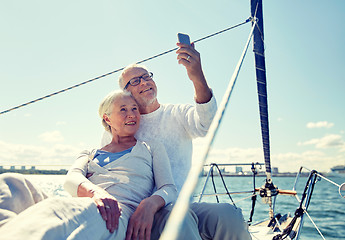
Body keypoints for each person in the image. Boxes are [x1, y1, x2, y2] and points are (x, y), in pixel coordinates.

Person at [0, 91, 200, 240]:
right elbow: (71, 180)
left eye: (134, 109)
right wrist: (96, 193)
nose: (132, 114)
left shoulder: (151, 148)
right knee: (9, 182)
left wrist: (150, 203)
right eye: (123, 110)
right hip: (89, 201)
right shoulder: (89, 153)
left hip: (116, 215)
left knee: (59, 209)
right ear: (107, 118)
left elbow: (168, 188)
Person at [101, 42, 252, 240]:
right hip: (142, 211)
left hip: (182, 205)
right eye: (136, 81)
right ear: (125, 93)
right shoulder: (119, 126)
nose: (145, 82)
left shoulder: (177, 113)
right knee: (179, 220)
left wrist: (196, 75)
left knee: (230, 215)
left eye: (147, 77)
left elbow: (208, 124)